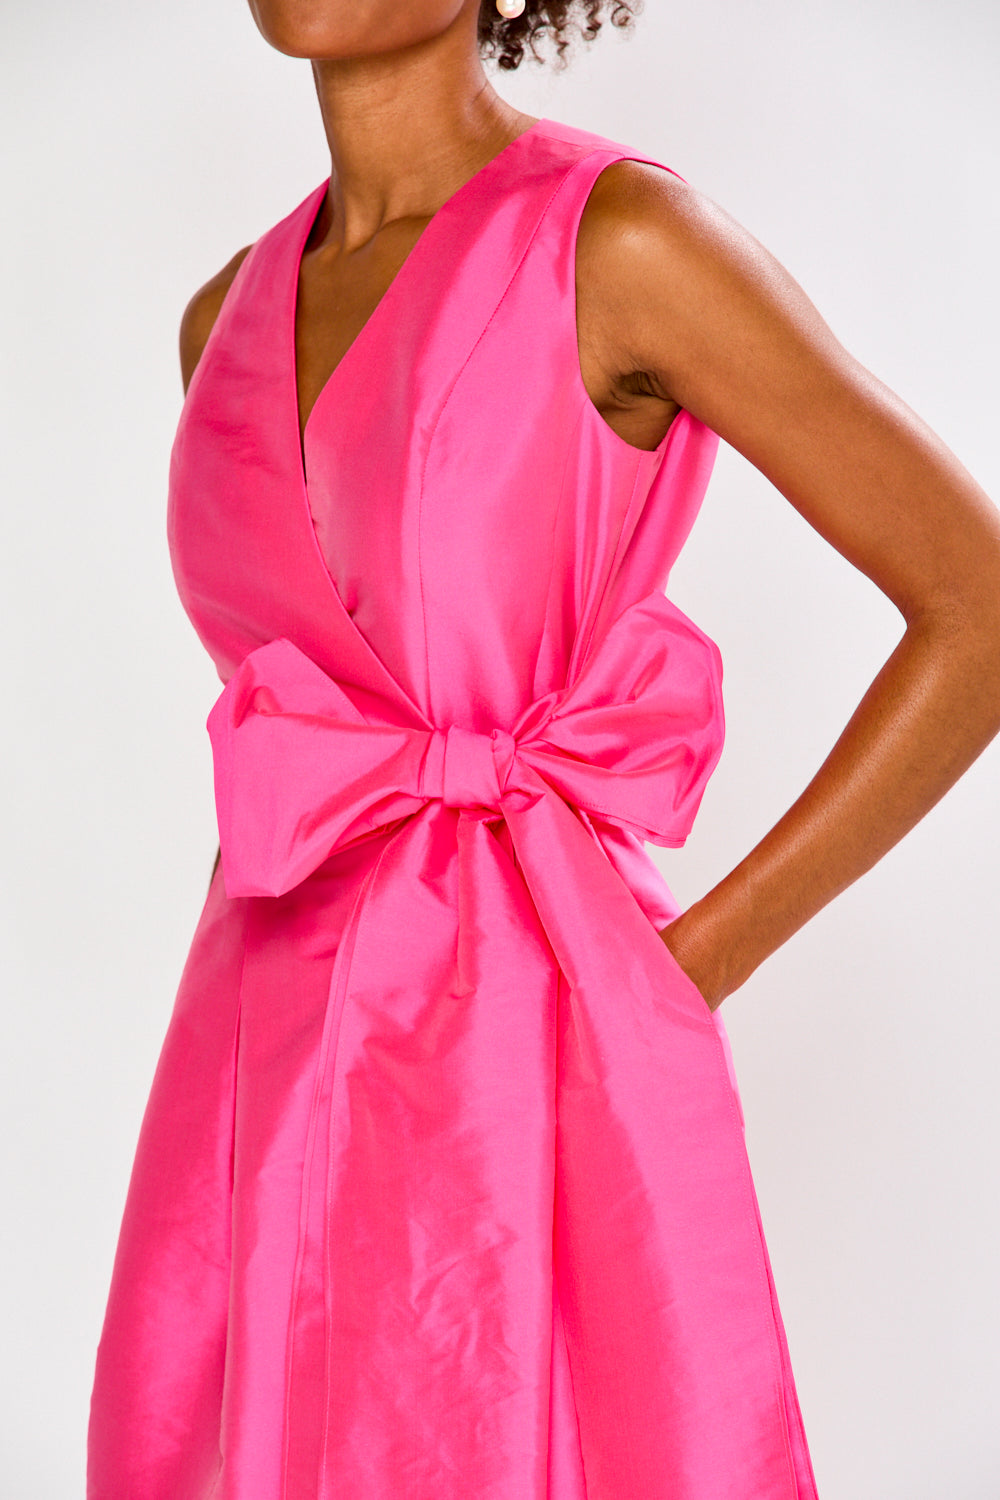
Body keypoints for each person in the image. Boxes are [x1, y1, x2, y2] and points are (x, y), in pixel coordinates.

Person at [87, 3, 1000, 1497]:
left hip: (523, 1058)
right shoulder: (221, 317)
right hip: (255, 1059)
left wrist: (685, 969)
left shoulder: (619, 243)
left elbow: (978, 604)